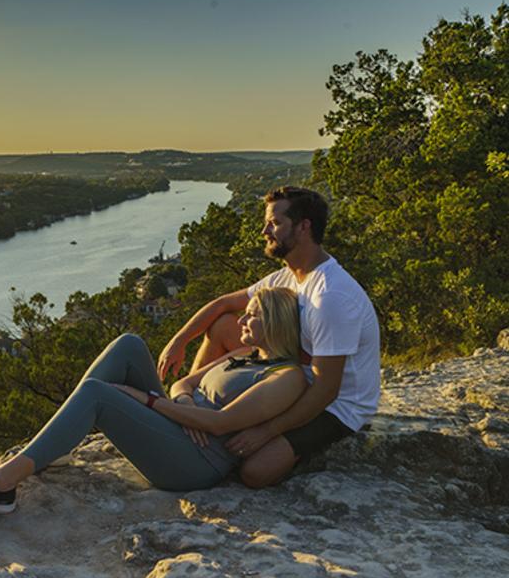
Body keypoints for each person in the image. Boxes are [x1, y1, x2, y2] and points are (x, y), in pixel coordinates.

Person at [0, 287, 306, 513]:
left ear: (275, 323)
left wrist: (145, 400)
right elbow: (184, 384)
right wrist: (186, 403)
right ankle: (54, 444)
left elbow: (223, 424)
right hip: (182, 423)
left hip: (195, 461)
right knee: (129, 344)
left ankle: (0, 486)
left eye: (252, 316)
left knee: (99, 394)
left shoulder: (285, 378)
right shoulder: (247, 353)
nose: (242, 321)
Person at [155, 186, 381, 489]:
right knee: (223, 325)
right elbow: (222, 305)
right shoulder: (289, 275)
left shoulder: (331, 297)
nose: (264, 230)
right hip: (287, 373)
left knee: (255, 472)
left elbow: (326, 389)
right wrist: (178, 342)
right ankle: (196, 415)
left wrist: (267, 431)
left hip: (336, 406)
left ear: (304, 227)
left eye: (274, 223)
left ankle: (283, 449)